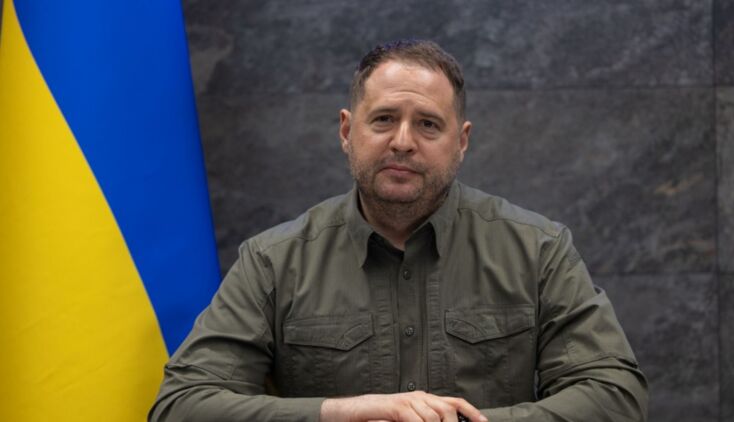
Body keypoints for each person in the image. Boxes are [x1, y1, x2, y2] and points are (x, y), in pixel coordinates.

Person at [149, 39, 648, 421]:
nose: (403, 142)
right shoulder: (273, 262)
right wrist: (341, 413)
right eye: (384, 119)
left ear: (461, 141)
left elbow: (615, 394)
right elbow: (181, 405)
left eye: (428, 124)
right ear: (347, 131)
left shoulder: (538, 250)